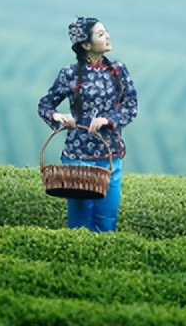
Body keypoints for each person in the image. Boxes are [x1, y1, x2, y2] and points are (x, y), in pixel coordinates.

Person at [38, 16, 138, 232]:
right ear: (86, 45)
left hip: (110, 155)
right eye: (101, 34)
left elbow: (131, 107)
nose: (108, 36)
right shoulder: (70, 74)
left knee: (107, 220)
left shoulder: (119, 71)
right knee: (80, 222)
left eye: (106, 31)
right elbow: (45, 105)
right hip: (78, 158)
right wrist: (58, 118)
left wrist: (108, 120)